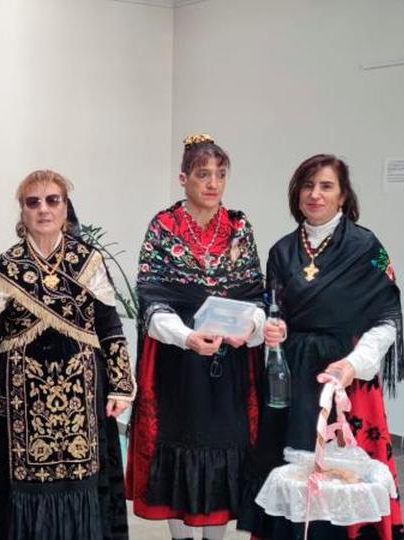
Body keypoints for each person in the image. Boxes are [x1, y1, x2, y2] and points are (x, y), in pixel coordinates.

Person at [237, 154, 404, 540]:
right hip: (293, 379)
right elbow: (272, 309)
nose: (315, 194)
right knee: (291, 472)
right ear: (296, 194)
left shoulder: (369, 248)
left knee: (341, 477)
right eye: (307, 186)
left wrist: (353, 364)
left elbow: (387, 319)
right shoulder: (281, 250)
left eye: (326, 186)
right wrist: (272, 328)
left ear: (343, 195)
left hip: (345, 380)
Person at [0, 170, 135, 539]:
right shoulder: (4, 268)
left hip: (83, 402)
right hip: (18, 403)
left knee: (84, 485)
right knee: (19, 491)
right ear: (22, 211)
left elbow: (110, 326)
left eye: (52, 200)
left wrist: (120, 385)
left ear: (65, 207)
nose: (43, 209)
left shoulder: (88, 261)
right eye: (33, 202)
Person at [125, 134, 270, 540]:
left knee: (226, 446)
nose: (213, 184)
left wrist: (251, 328)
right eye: (203, 175)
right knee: (179, 444)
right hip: (179, 359)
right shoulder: (164, 226)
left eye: (221, 175)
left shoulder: (239, 227)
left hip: (230, 361)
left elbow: (253, 292)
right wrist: (186, 337)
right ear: (183, 178)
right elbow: (151, 295)